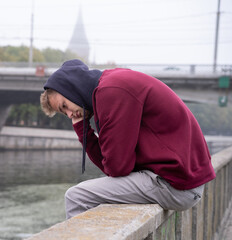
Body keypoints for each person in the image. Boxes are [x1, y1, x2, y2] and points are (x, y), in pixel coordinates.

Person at [40, 59, 216, 219]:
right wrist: (82, 126)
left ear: (72, 88)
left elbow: (116, 169)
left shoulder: (111, 92)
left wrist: (82, 129)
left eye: (65, 106)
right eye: (65, 114)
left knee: (76, 196)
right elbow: (113, 167)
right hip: (184, 180)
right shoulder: (113, 82)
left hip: (176, 186)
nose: (71, 114)